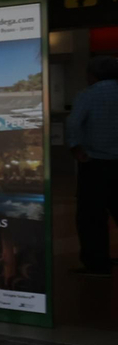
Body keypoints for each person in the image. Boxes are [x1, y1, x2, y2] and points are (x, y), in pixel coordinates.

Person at [68, 55, 118, 275]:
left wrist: (76, 149)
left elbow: (74, 123)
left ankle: (98, 265)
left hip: (95, 165)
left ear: (92, 74)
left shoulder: (88, 94)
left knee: (91, 217)